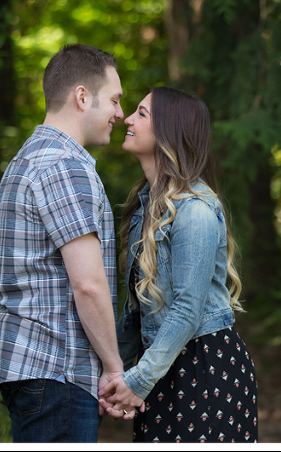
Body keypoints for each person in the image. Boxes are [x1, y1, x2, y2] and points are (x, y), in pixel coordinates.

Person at [0, 43, 135, 442]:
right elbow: (88, 283)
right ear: (82, 97)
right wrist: (114, 368)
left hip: (36, 368)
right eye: (115, 100)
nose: (120, 113)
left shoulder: (29, 158)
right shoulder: (65, 166)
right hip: (57, 368)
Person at [98, 86, 258, 443]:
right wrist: (115, 376)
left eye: (141, 114)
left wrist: (136, 381)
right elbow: (135, 310)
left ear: (168, 132)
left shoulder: (195, 209)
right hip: (161, 366)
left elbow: (187, 309)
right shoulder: (145, 209)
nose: (127, 118)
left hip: (205, 370)